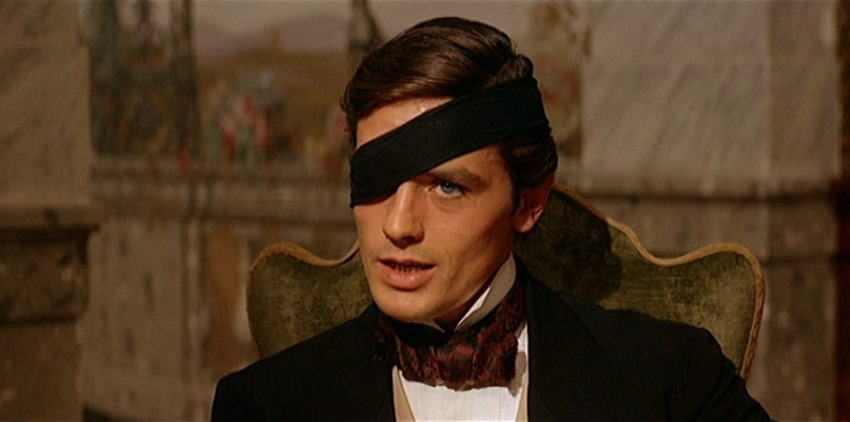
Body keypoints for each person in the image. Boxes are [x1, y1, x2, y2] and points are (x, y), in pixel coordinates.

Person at [211, 16, 771, 421]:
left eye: (447, 187)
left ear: (528, 202)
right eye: (377, 181)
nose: (398, 225)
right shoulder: (264, 406)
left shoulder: (671, 382)